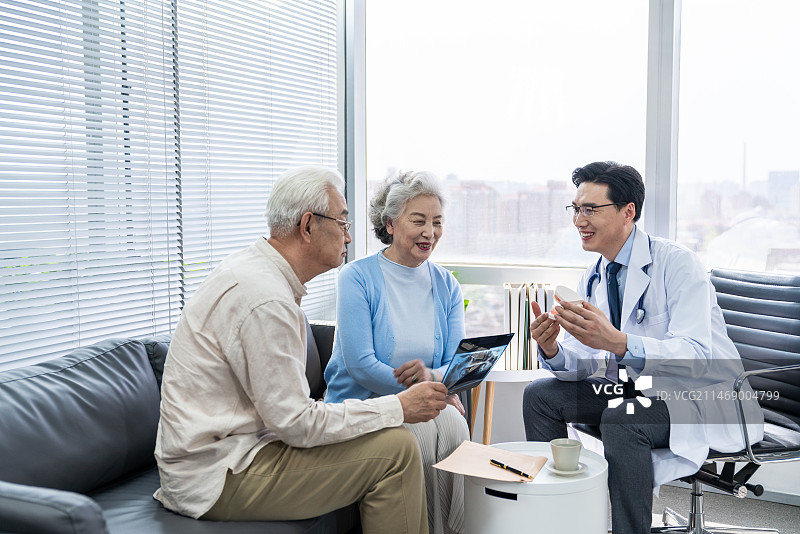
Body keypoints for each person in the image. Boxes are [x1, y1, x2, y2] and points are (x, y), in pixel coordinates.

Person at [154, 166, 450, 534]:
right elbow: (296, 424)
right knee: (396, 451)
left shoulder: (262, 275)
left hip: (244, 450)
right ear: (308, 226)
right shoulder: (265, 298)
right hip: (218, 473)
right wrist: (399, 406)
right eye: (342, 223)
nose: (349, 236)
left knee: (396, 440)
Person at [522, 161, 764, 534]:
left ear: (627, 212)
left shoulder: (678, 264)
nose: (578, 220)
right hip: (640, 392)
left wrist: (619, 343)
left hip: (700, 397)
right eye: (575, 209)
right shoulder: (595, 275)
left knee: (624, 417)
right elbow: (585, 366)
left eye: (590, 209)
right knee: (540, 396)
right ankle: (560, 520)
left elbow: (698, 356)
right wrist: (552, 349)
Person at [324, 170, 470, 534]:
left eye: (437, 222)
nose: (430, 232)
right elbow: (361, 366)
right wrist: (419, 394)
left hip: (426, 401)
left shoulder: (446, 284)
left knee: (455, 425)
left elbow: (453, 361)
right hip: (365, 405)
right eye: (418, 220)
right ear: (389, 224)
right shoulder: (356, 277)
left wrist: (434, 385)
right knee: (415, 434)